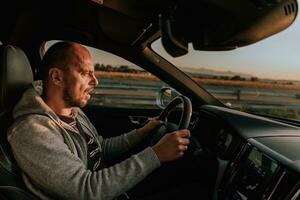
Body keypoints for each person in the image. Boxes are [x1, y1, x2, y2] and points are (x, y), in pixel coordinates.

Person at [7, 42, 191, 200]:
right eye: (85, 73)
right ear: (56, 77)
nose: (96, 81)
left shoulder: (74, 112)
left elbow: (100, 148)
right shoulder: (32, 130)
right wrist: (156, 154)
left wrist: (141, 132)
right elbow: (86, 190)